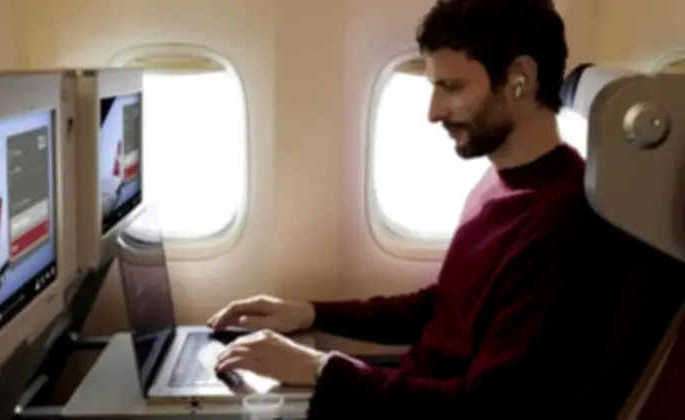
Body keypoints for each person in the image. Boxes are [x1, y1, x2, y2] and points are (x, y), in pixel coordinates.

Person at [207, 0, 675, 418]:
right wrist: (310, 313)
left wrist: (322, 370)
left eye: (451, 86)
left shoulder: (560, 221)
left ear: (521, 78)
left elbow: (486, 407)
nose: (433, 111)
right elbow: (443, 307)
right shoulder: (503, 182)